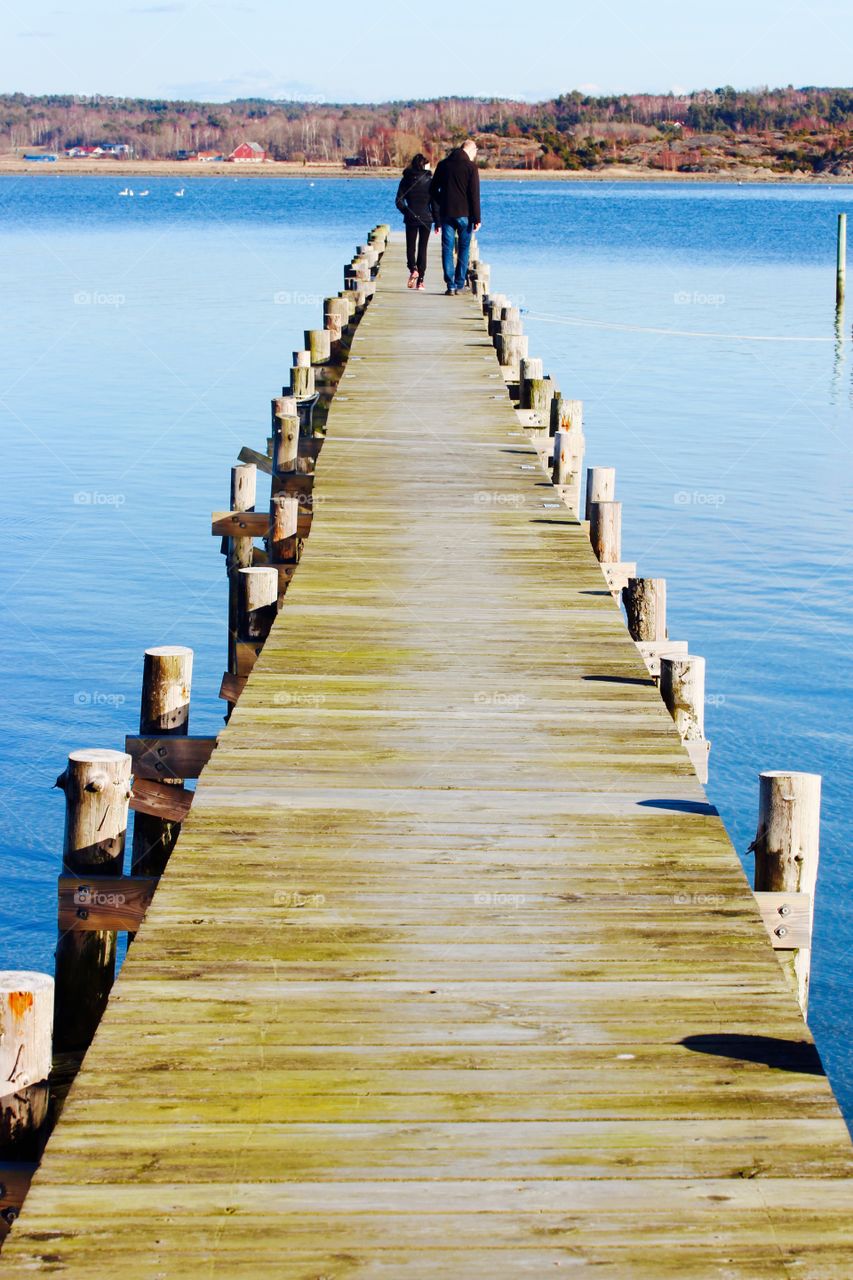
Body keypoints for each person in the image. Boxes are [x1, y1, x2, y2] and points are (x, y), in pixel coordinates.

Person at [429, 139, 481, 296]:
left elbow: (432, 190)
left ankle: (450, 285)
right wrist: (477, 217)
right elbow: (474, 194)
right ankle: (459, 283)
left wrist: (441, 203)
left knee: (447, 248)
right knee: (464, 249)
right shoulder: (471, 167)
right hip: (465, 214)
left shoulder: (443, 165)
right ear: (471, 150)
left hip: (446, 213)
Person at [395, 153, 436, 291]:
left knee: (410, 246)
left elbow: (399, 201)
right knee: (423, 248)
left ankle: (413, 269)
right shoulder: (430, 180)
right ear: (424, 165)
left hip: (411, 217)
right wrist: (438, 221)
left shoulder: (406, 179)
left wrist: (407, 211)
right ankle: (421, 281)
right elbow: (435, 202)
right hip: (426, 217)